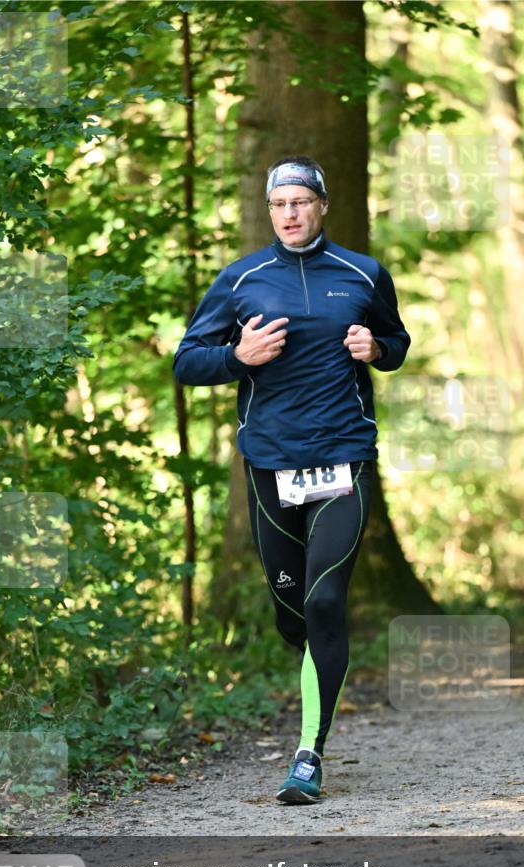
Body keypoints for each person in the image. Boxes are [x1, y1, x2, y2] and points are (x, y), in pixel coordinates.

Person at [172, 156, 410, 804]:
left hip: (344, 459)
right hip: (271, 465)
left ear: (321, 206)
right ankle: (310, 656)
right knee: (292, 617)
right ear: (268, 209)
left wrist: (377, 351)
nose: (290, 213)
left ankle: (308, 754)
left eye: (302, 201)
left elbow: (396, 340)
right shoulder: (240, 279)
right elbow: (187, 361)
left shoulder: (363, 273)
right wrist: (234, 356)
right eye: (279, 203)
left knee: (324, 602)